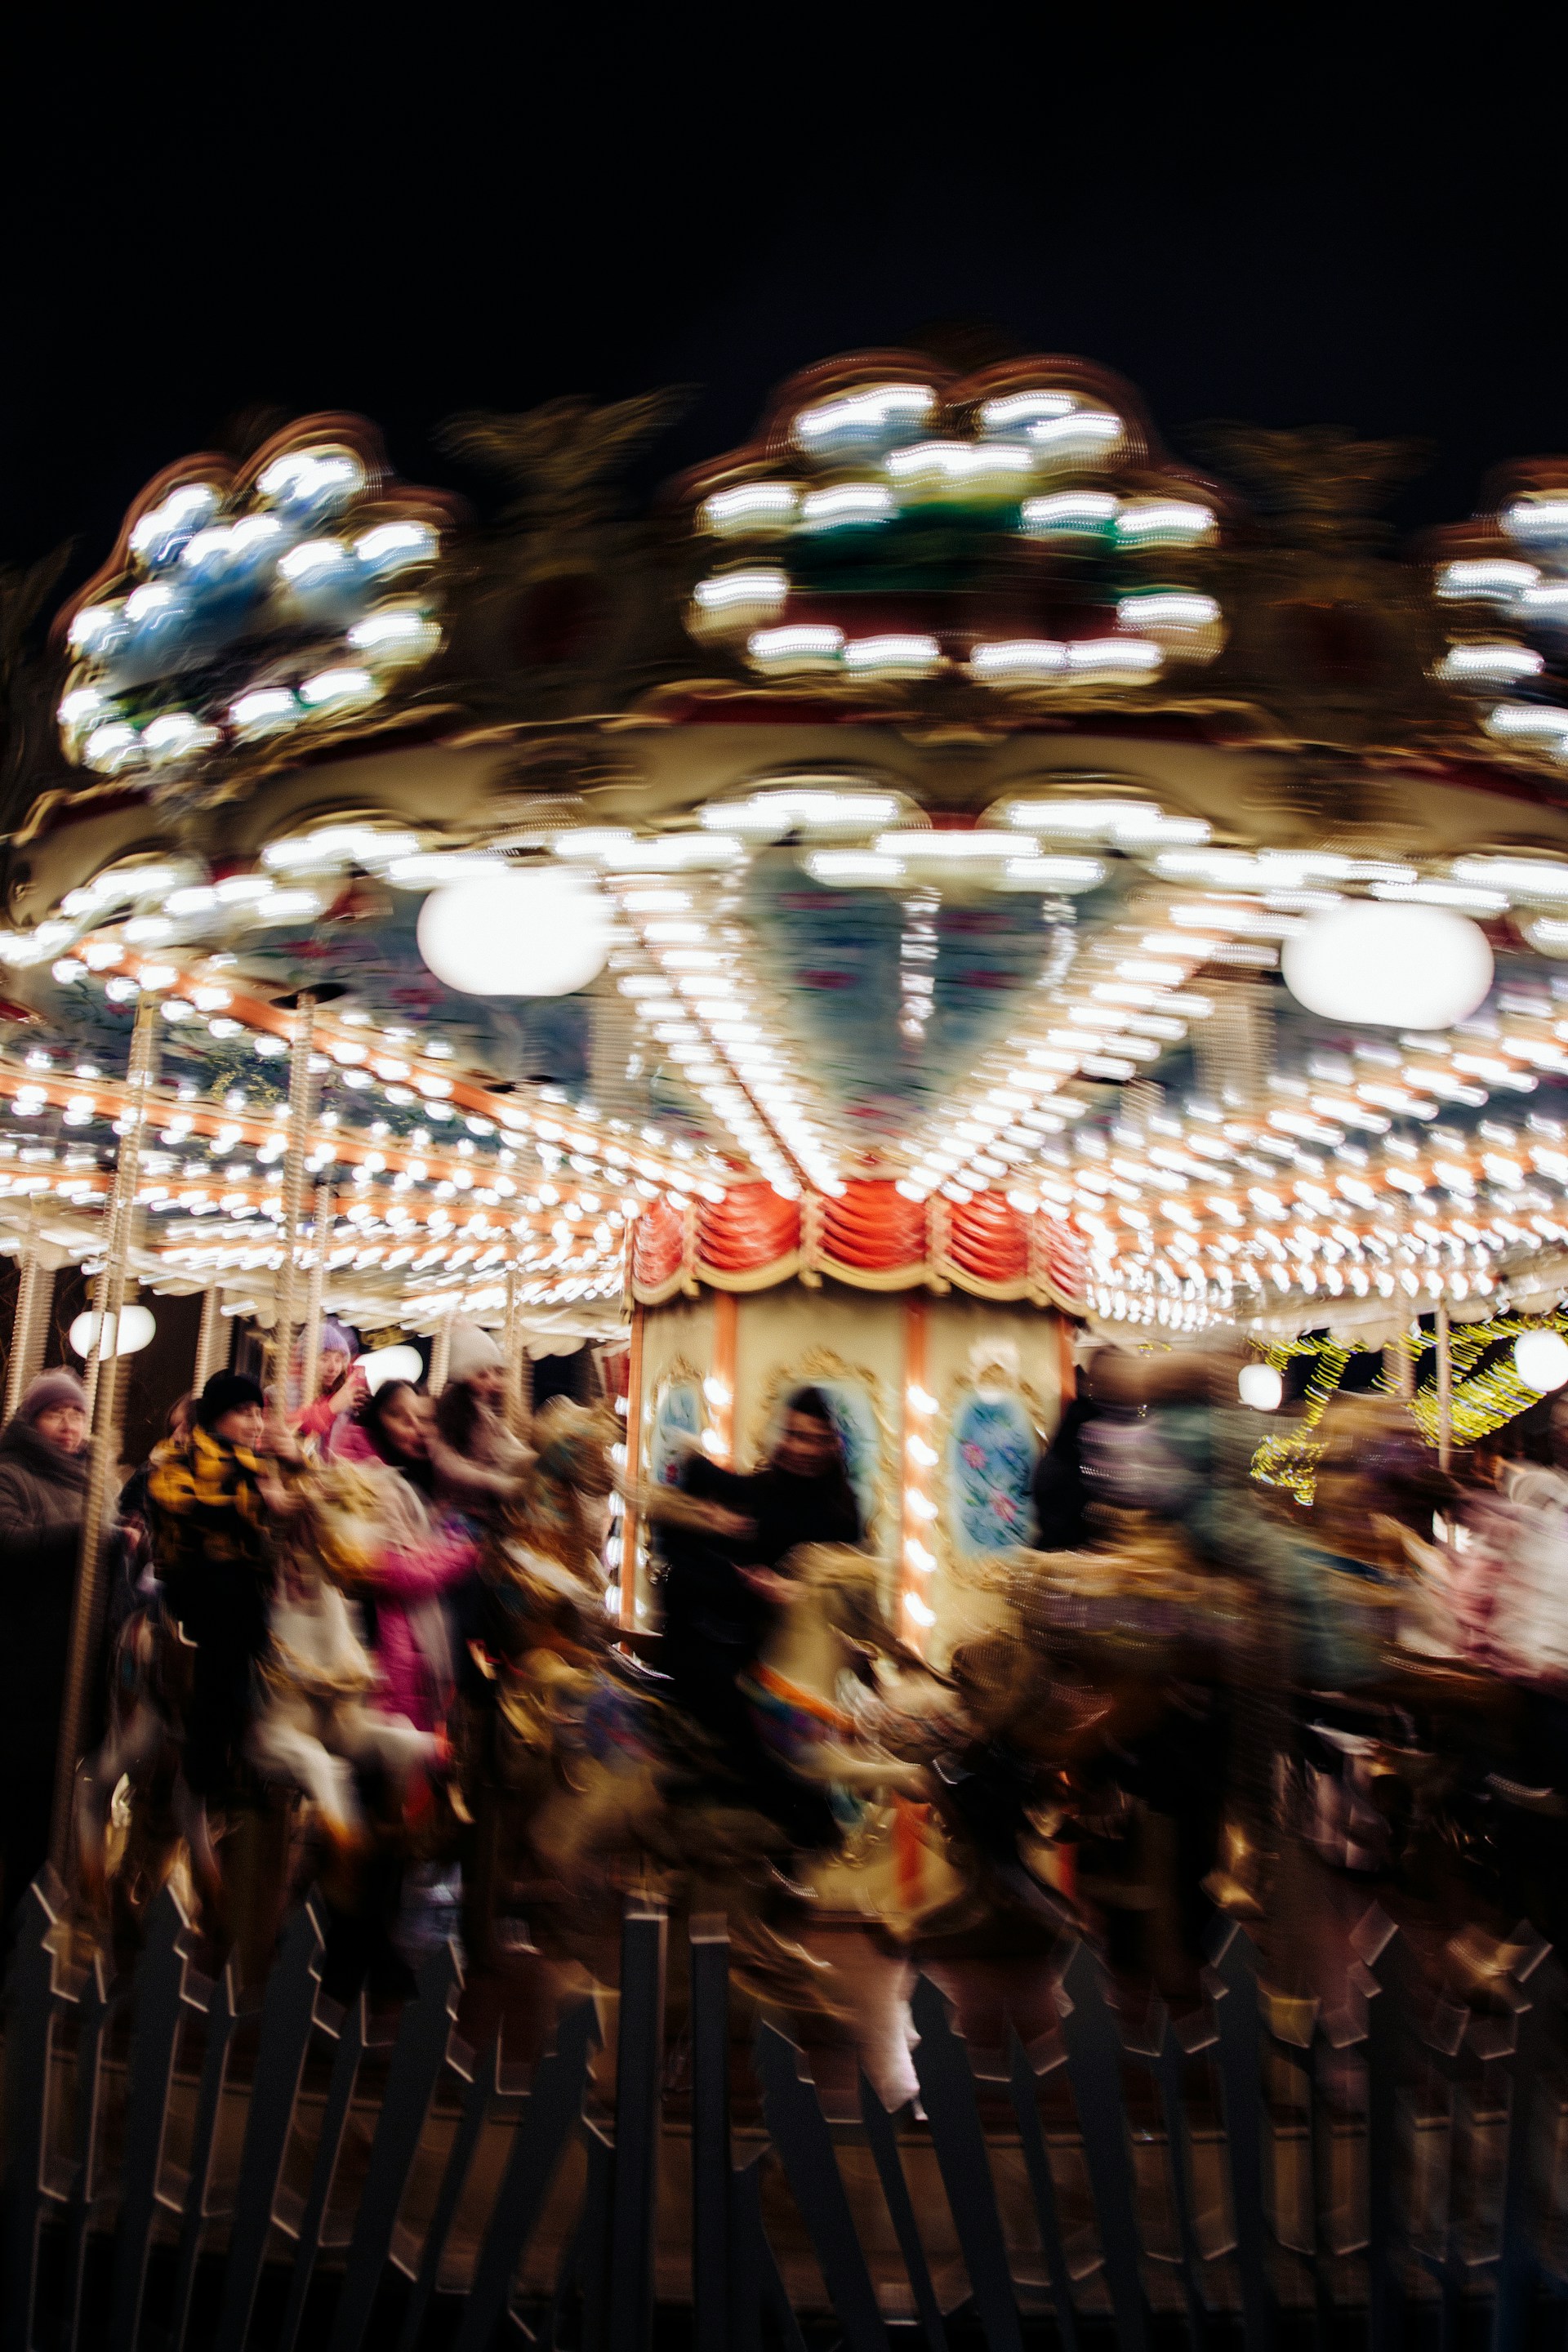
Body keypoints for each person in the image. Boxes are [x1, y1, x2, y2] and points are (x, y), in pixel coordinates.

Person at [655, 1387, 863, 1851]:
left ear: (832, 1445)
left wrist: (800, 1593)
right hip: (737, 1632)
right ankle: (767, 1810)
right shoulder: (761, 1491)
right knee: (735, 1706)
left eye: (812, 1439)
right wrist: (746, 1575)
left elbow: (850, 1579)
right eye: (791, 1434)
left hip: (800, 1641)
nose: (798, 1447)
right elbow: (717, 1526)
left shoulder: (839, 1509)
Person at [148, 1371, 305, 1808]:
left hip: (249, 1578)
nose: (256, 1423)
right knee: (231, 1624)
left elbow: (314, 1497)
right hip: (196, 1574)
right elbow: (182, 1505)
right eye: (244, 1413)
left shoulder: (262, 1463)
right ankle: (211, 1758)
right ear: (217, 1416)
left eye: (260, 1413)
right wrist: (254, 1493)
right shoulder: (176, 1455)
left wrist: (296, 1462)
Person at [0, 1370, 96, 1922]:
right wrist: (84, 1536)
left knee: (44, 1814)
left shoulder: (90, 1483)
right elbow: (10, 1544)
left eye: (77, 1414)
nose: (68, 1426)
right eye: (56, 1413)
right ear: (33, 1419)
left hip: (69, 1670)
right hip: (21, 1663)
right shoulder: (11, 1473)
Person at [332, 1382, 478, 1733]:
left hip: (407, 1626)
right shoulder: (367, 1480)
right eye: (398, 1417)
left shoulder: (415, 1480)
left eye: (421, 1419)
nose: (415, 1429)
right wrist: (466, 1556)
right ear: (376, 1420)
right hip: (370, 1626)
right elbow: (391, 1567)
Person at [294, 1319, 366, 1450]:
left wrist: (368, 1412)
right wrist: (332, 1407)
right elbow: (294, 1429)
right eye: (324, 1359)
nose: (333, 1368)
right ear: (305, 1362)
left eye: (338, 1360)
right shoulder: (284, 1395)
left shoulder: (344, 1397)